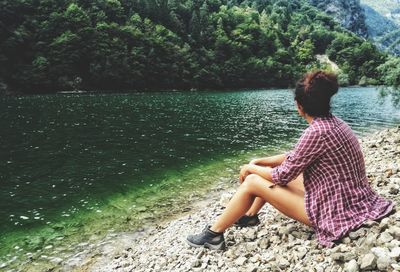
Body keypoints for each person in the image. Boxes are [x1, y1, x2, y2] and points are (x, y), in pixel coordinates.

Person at [186, 70, 394, 249]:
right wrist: (261, 161)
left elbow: (282, 175)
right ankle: (249, 215)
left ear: (299, 105)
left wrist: (250, 168)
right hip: (351, 198)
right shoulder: (334, 123)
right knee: (267, 173)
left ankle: (213, 234)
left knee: (252, 181)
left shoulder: (316, 132)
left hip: (334, 212)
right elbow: (293, 157)